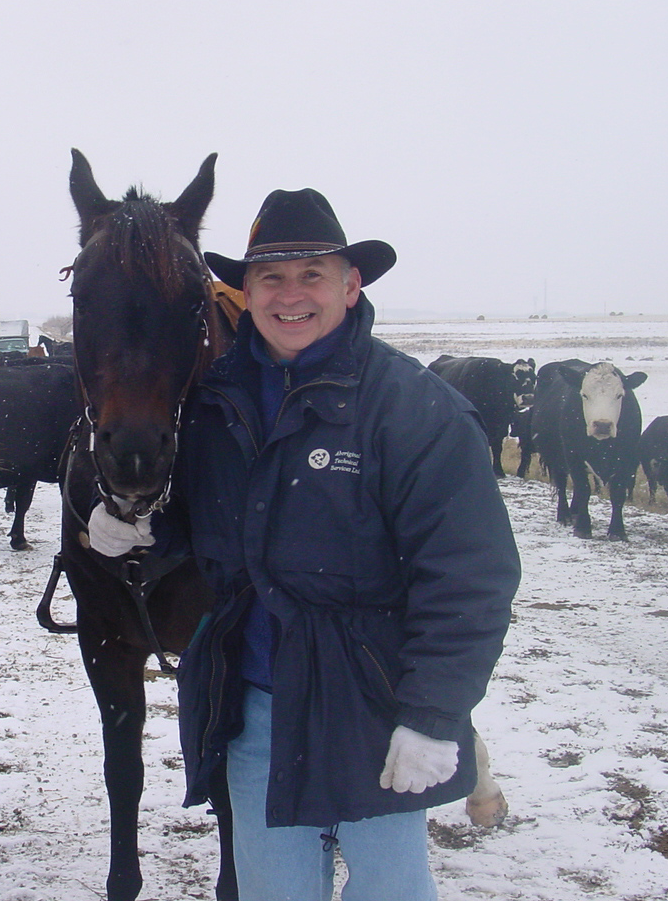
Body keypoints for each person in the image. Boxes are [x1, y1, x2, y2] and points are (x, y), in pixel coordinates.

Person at [88, 189, 520, 901]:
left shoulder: (414, 409)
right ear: (244, 291)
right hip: (255, 709)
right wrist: (144, 528)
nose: (291, 296)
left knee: (390, 892)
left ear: (351, 285)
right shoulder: (215, 404)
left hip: (374, 710)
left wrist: (434, 718)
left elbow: (471, 578)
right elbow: (210, 530)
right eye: (270, 278)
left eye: (311, 275)